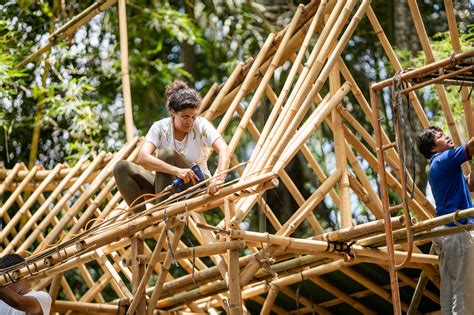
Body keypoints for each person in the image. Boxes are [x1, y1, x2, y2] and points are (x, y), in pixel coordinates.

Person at [113, 80, 230, 212]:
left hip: (196, 186)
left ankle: (160, 212)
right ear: (173, 112)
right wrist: (176, 171)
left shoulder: (201, 124)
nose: (190, 122)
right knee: (120, 167)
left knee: (165, 154)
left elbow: (223, 149)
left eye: (193, 116)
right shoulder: (160, 127)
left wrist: (219, 180)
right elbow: (142, 158)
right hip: (166, 189)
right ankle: (141, 218)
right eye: (185, 117)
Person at [416, 125, 474, 314]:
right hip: (457, 230)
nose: (447, 136)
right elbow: (471, 147)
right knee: (465, 293)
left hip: (446, 233)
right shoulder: (443, 159)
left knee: (449, 293)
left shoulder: (440, 167)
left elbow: (470, 184)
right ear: (433, 148)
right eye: (440, 136)